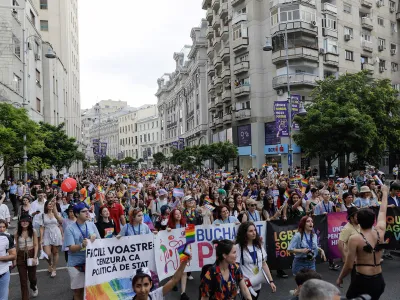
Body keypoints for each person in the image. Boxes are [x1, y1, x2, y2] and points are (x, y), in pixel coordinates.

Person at [336, 185, 389, 300]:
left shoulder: (355, 238)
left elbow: (349, 265)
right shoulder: (380, 231)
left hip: (363, 280)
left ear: (358, 221)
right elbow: (383, 210)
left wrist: (340, 278)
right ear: (373, 220)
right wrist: (385, 193)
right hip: (379, 280)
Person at [64, 202, 100, 300]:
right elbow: (71, 248)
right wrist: (82, 245)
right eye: (83, 211)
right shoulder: (69, 229)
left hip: (90, 263)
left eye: (87, 211)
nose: (87, 213)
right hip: (76, 264)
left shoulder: (92, 225)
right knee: (78, 291)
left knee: (91, 289)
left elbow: (100, 241)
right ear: (77, 214)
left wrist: (95, 236)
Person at [236, 222, 276, 299]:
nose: (254, 233)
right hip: (246, 285)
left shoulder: (259, 246)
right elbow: (235, 267)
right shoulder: (238, 247)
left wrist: (271, 281)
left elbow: (264, 264)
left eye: (254, 230)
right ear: (244, 233)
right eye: (250, 231)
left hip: (257, 284)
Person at [15, 215, 39, 299]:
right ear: (20, 222)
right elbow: (16, 247)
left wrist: (35, 257)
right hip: (20, 255)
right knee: (23, 280)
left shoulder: (33, 231)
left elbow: (36, 245)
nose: (24, 222)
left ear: (29, 222)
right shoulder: (17, 232)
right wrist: (15, 259)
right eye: (22, 221)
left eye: (26, 221)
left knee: (32, 277)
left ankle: (34, 285)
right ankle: (25, 298)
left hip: (31, 253)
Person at [40, 199, 63, 277]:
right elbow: (42, 227)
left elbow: (60, 225)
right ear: (46, 206)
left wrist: (62, 235)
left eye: (51, 204)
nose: (50, 205)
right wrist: (41, 238)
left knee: (55, 252)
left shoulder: (57, 214)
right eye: (49, 204)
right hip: (47, 233)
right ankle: (50, 263)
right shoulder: (43, 215)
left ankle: (54, 268)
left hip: (56, 233)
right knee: (47, 253)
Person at [0, 218, 16, 300]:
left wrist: (14, 262)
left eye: (3, 227)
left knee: (4, 292)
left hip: (6, 267)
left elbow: (13, 254)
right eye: (0, 227)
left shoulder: (9, 237)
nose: (1, 229)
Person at [29, 190, 46, 259]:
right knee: (38, 238)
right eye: (39, 195)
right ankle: (41, 251)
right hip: (37, 222)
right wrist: (35, 213)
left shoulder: (46, 202)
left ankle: (44, 251)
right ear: (37, 195)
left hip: (45, 221)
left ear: (43, 194)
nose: (40, 197)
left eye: (41, 195)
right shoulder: (33, 203)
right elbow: (30, 214)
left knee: (44, 237)